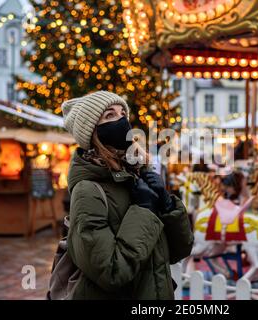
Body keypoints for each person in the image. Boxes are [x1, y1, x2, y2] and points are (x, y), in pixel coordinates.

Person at [61, 91, 194, 300]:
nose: (121, 120)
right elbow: (111, 272)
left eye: (123, 113)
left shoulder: (137, 176)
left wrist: (167, 204)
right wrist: (144, 210)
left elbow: (179, 251)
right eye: (109, 115)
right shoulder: (87, 192)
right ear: (92, 132)